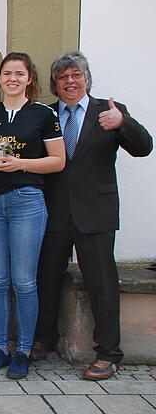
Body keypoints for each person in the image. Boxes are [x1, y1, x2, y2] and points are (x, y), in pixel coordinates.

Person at [32, 51, 152, 380]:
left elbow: (144, 147)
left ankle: (109, 354)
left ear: (86, 78)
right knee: (47, 278)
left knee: (102, 284)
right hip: (53, 211)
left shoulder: (109, 112)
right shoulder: (46, 115)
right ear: (55, 85)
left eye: (76, 75)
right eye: (62, 77)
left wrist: (124, 123)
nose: (70, 81)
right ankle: (43, 339)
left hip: (95, 213)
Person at [0, 53, 65, 379]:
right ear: (0, 79)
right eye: (6, 73)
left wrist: (21, 164)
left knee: (24, 281)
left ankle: (23, 350)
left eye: (18, 73)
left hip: (27, 199)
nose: (11, 78)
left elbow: (57, 161)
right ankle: (0, 348)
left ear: (29, 78)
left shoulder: (43, 113)